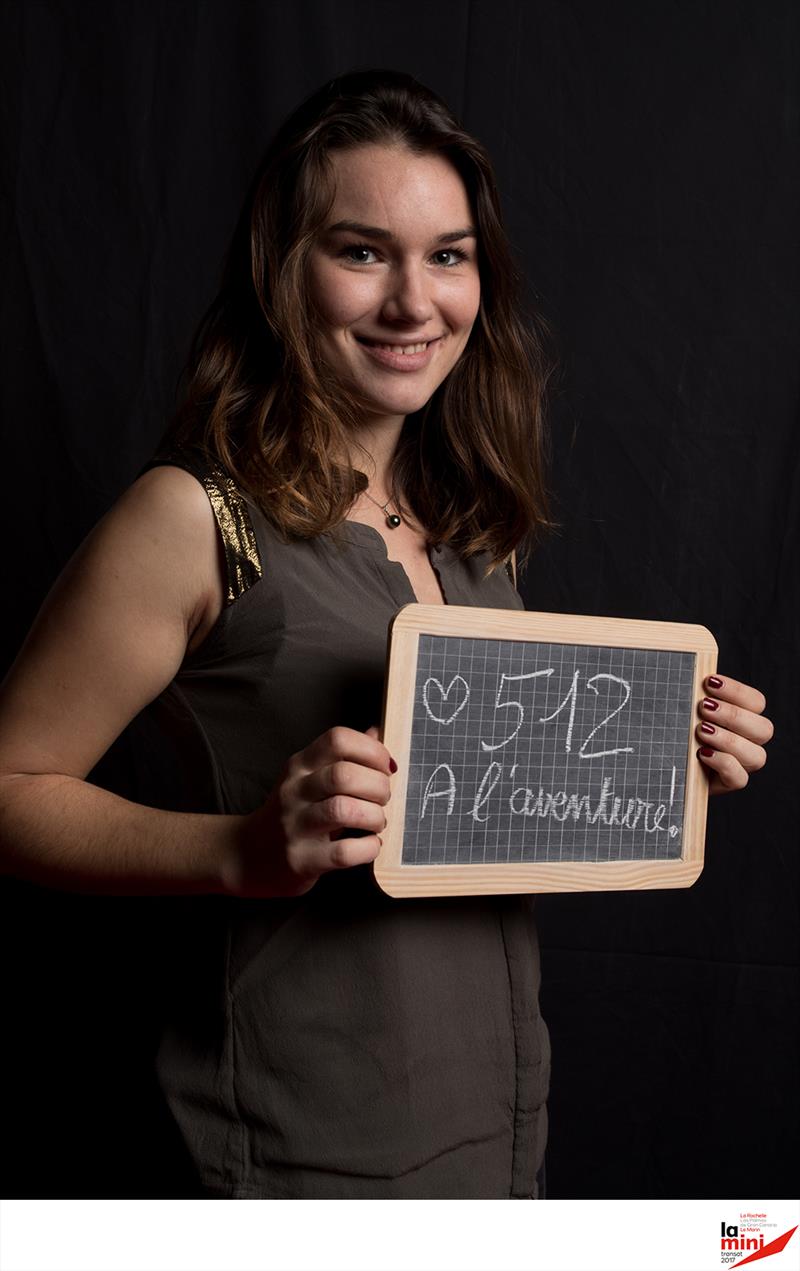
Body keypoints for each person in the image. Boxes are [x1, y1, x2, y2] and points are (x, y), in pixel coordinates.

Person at [0, 70, 773, 1200]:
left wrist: (675, 754)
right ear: (283, 270)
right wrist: (239, 853)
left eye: (448, 255)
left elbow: (491, 800)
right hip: (295, 1146)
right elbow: (11, 782)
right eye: (362, 251)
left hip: (496, 1128)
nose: (415, 302)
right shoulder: (190, 517)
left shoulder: (475, 531)